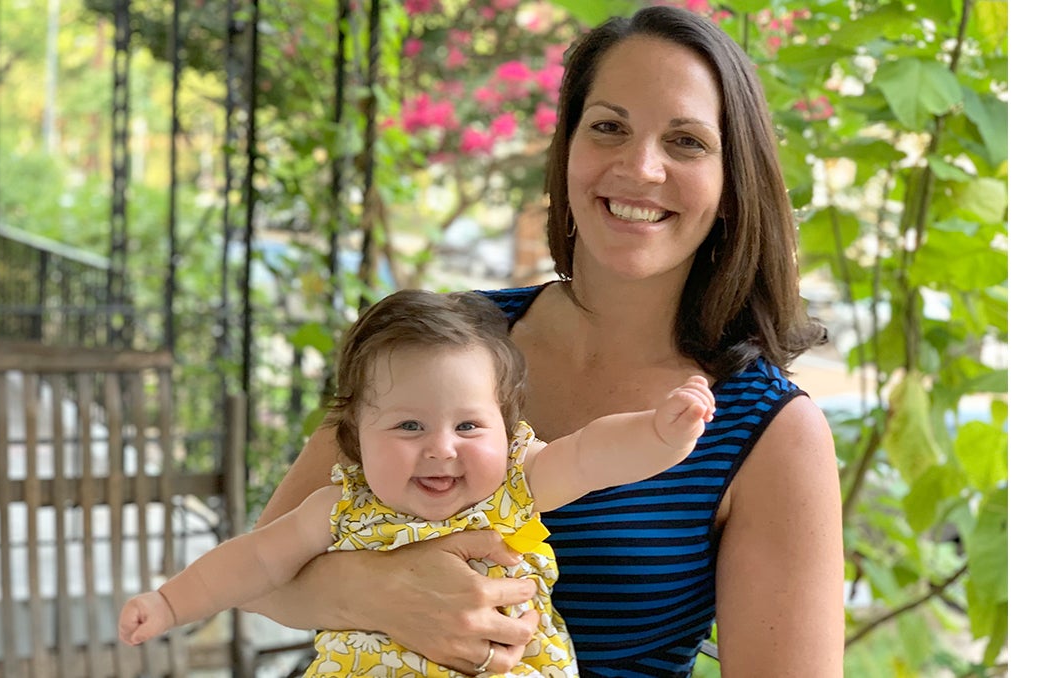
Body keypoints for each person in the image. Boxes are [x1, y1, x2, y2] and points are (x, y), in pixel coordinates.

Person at [242, 5, 844, 677]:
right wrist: (384, 593)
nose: (640, 167)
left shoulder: (769, 431)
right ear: (568, 151)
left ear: (733, 185)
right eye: (609, 128)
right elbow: (258, 576)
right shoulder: (447, 341)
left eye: (687, 142)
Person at [118, 289, 716, 677]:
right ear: (354, 433)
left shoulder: (513, 484)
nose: (441, 448)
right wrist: (170, 602)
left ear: (506, 431)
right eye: (409, 425)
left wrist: (661, 436)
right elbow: (254, 562)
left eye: (469, 425)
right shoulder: (340, 506)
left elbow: (592, 455)